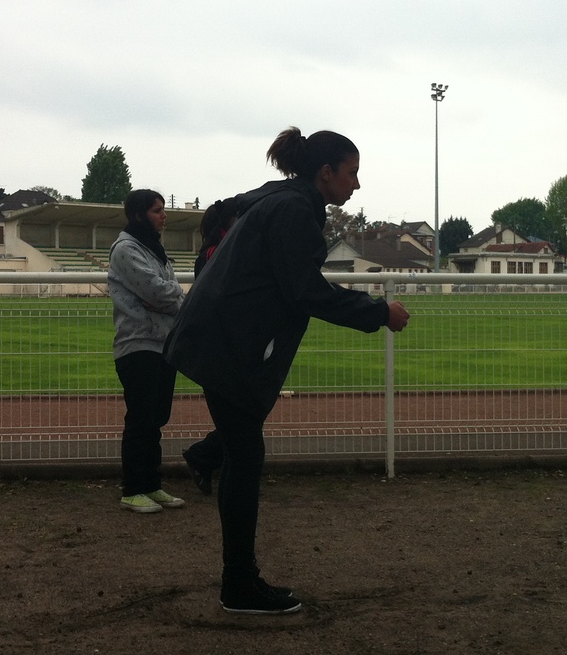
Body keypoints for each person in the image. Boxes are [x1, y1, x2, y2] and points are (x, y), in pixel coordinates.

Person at [165, 127, 411, 614]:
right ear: (326, 173)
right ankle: (239, 584)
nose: (357, 184)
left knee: (242, 452)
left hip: (216, 338)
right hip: (224, 344)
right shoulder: (294, 209)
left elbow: (228, 211)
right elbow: (306, 291)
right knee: (245, 456)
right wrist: (379, 312)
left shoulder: (283, 197)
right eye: (352, 173)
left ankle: (238, 578)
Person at [108, 189, 187, 513]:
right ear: (139, 215)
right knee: (141, 419)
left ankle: (151, 485)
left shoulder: (153, 249)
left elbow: (167, 293)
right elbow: (158, 291)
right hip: (137, 344)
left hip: (163, 344)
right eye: (157, 210)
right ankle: (132, 489)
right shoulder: (126, 249)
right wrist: (176, 299)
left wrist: (171, 298)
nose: (163, 216)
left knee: (155, 419)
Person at [180, 197, 242, 495]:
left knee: (240, 416)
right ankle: (205, 458)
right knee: (241, 417)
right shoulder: (220, 252)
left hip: (219, 342)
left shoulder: (213, 251)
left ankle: (209, 460)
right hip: (223, 344)